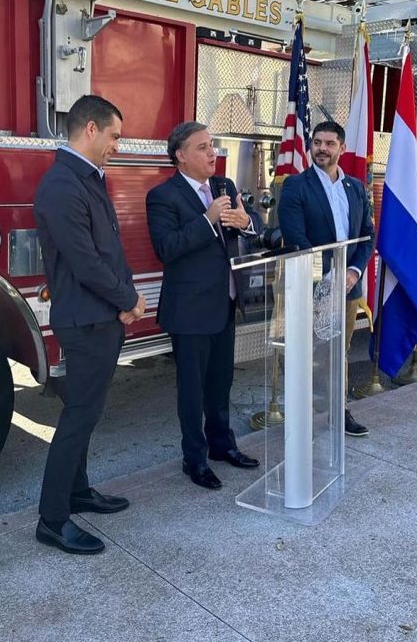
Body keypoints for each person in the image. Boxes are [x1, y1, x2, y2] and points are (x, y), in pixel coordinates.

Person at [34, 95, 145, 555]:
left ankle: (77, 491)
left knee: (88, 411)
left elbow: (109, 250)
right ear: (92, 129)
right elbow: (85, 262)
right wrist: (128, 300)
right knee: (79, 417)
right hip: (86, 319)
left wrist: (124, 298)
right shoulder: (63, 185)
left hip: (101, 315)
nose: (119, 145)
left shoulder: (87, 178)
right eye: (115, 136)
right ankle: (53, 519)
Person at [146, 122, 260, 490]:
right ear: (180, 155)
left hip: (225, 303)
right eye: (202, 147)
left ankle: (222, 445)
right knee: (192, 391)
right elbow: (167, 248)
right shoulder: (163, 196)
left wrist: (247, 222)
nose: (212, 153)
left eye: (212, 145)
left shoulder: (224, 186)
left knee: (221, 382)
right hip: (190, 310)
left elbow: (251, 224)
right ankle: (194, 459)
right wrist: (208, 219)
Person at [277, 120, 377, 437]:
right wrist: (327, 276)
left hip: (347, 288)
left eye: (329, 143)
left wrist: (353, 272)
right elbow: (296, 238)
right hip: (311, 287)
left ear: (341, 148)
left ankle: (338, 412)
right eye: (317, 142)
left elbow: (367, 236)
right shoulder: (296, 186)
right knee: (306, 353)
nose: (322, 148)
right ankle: (301, 417)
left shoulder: (355, 188)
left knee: (338, 354)